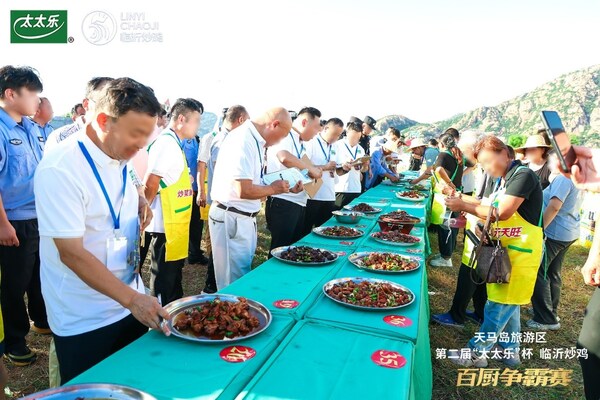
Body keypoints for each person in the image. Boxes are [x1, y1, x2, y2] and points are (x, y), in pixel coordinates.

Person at [34, 77, 169, 384]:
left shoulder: (118, 153)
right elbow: (72, 253)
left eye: (147, 136)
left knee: (132, 385)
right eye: (136, 135)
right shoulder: (61, 167)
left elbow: (116, 188)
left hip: (127, 302)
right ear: (104, 121)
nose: (141, 146)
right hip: (84, 317)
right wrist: (133, 300)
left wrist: (137, 200)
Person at [444, 136, 543, 368]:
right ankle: (510, 352)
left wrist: (463, 206)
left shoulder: (523, 176)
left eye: (490, 161)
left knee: (497, 304)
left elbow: (504, 212)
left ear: (506, 153)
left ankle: (476, 353)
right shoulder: (505, 179)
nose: (488, 168)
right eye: (483, 164)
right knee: (510, 304)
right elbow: (489, 207)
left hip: (521, 254)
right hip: (505, 251)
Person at [209, 107, 298, 289]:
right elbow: (243, 189)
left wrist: (285, 187)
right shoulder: (243, 140)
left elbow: (255, 180)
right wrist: (273, 189)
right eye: (282, 136)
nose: (279, 141)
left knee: (241, 275)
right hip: (232, 216)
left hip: (243, 217)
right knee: (232, 283)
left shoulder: (253, 140)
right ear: (274, 124)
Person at [0, 65, 49, 366]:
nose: (38, 100)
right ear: (10, 94)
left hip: (38, 216)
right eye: (32, 93)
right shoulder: (2, 130)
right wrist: (3, 224)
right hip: (13, 220)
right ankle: (14, 341)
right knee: (14, 284)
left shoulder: (31, 127)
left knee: (39, 274)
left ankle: (41, 321)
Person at [144, 98, 202, 306]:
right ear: (180, 119)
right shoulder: (166, 143)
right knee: (164, 282)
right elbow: (151, 182)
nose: (198, 126)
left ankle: (171, 316)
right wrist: (142, 214)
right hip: (164, 225)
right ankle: (160, 323)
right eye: (195, 121)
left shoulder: (174, 143)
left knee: (173, 278)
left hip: (174, 224)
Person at [197, 105, 249, 294]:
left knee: (219, 249)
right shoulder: (224, 140)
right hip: (222, 203)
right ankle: (211, 288)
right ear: (241, 120)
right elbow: (219, 170)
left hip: (223, 202)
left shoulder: (227, 138)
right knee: (218, 250)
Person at [529, 151, 581, 331]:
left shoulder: (562, 179)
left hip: (555, 233)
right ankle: (551, 310)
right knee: (552, 272)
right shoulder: (572, 178)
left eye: (550, 159)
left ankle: (546, 318)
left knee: (539, 271)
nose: (548, 163)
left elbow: (554, 207)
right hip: (568, 232)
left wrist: (540, 229)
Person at [265, 107, 322, 252]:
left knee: (292, 250)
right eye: (315, 127)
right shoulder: (285, 135)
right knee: (280, 250)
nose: (317, 132)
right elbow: (283, 156)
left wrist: (312, 172)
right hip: (283, 201)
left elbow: (299, 165)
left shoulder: (300, 142)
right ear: (304, 122)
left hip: (297, 200)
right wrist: (311, 169)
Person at [429, 132, 474, 268]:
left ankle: (446, 258)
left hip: (449, 194)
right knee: (453, 225)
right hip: (457, 192)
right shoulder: (458, 154)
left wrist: (449, 182)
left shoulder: (443, 154)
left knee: (446, 225)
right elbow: (472, 165)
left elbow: (438, 169)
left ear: (442, 144)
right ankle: (446, 253)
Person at [45, 77, 114, 152]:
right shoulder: (61, 138)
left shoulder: (120, 139)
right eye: (103, 103)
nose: (109, 109)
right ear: (86, 104)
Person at [302, 118, 345, 235]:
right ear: (326, 128)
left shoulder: (335, 146)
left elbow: (338, 171)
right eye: (334, 134)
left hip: (329, 195)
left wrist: (345, 168)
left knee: (325, 231)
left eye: (339, 135)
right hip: (313, 195)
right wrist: (325, 167)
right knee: (305, 231)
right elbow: (303, 165)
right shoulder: (311, 142)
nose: (336, 138)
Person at [182, 131, 208, 265]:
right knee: (184, 222)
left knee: (197, 223)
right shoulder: (179, 139)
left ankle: (194, 252)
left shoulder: (197, 139)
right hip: (185, 190)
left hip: (197, 188)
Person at [334, 121, 369, 208]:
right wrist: (344, 164)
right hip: (341, 188)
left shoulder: (360, 149)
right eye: (353, 137)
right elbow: (333, 165)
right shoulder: (337, 145)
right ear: (347, 133)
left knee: (353, 215)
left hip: (356, 188)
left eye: (358, 137)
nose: (355, 140)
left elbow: (363, 170)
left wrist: (365, 165)